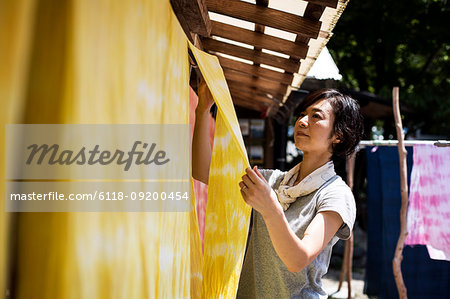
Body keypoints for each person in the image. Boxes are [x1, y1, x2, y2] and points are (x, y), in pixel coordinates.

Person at [192, 81, 364, 299]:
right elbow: (202, 171)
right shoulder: (273, 180)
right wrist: (202, 110)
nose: (302, 122)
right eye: (302, 114)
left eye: (316, 117)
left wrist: (270, 208)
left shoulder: (335, 194)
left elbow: (297, 260)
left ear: (338, 135)